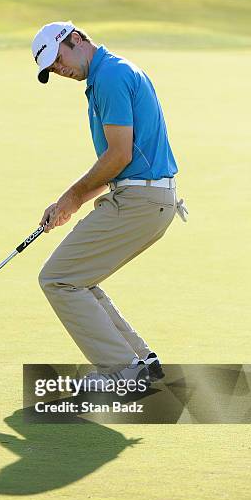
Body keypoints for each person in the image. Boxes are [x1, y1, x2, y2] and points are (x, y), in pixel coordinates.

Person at [31, 21, 187, 387]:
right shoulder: (109, 74)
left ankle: (122, 371)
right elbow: (116, 165)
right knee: (78, 278)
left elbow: (118, 155)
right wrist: (68, 203)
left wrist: (71, 197)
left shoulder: (111, 77)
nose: (59, 69)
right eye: (51, 69)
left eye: (58, 59)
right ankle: (141, 361)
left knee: (57, 279)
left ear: (76, 39)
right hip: (144, 197)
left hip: (140, 199)